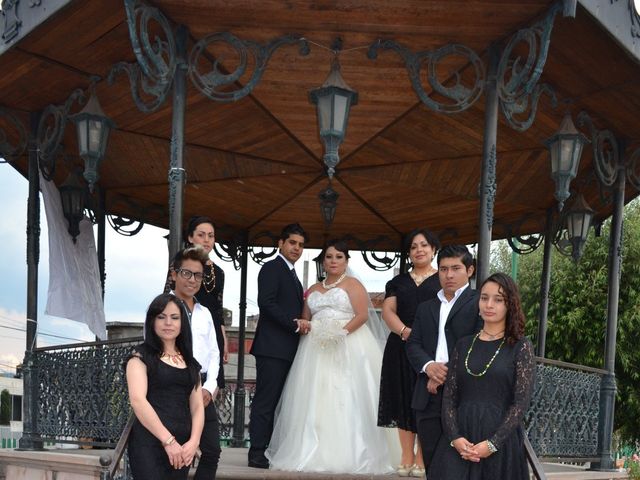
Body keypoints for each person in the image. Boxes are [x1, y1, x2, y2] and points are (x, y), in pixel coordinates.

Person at [266, 239, 397, 474]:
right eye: (329, 257)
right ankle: (311, 449)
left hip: (348, 343)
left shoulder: (353, 284)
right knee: (314, 397)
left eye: (338, 256)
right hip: (315, 348)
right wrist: (308, 325)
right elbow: (306, 316)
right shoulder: (313, 289)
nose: (333, 261)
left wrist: (340, 333)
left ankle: (354, 451)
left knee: (347, 394)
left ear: (346, 261)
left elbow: (362, 315)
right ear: (323, 261)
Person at [428, 272, 535, 480]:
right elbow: (449, 398)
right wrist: (455, 438)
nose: (489, 304)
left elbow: (521, 403)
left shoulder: (521, 347)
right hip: (459, 441)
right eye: (484, 298)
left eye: (498, 299)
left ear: (510, 305)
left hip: (499, 443)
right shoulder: (463, 344)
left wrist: (493, 443)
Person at [406, 244, 482, 473]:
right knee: (431, 464)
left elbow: (476, 345)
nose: (448, 275)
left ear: (469, 270)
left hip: (463, 396)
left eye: (456, 268)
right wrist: (429, 367)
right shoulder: (425, 307)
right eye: (443, 269)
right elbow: (413, 344)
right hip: (427, 396)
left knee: (458, 465)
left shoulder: (479, 303)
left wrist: (443, 374)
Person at [378, 228, 441, 478]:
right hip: (399, 347)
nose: (419, 250)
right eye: (414, 246)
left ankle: (421, 456)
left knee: (426, 401)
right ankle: (406, 455)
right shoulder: (398, 282)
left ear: (434, 249)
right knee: (402, 398)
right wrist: (405, 332)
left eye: (424, 245)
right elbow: (387, 311)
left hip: (432, 349)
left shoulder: (442, 279)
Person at [248, 223, 310, 469]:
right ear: (280, 243)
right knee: (266, 402)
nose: (297, 248)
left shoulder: (292, 273)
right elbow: (267, 303)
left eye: (301, 245)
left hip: (286, 349)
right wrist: (295, 324)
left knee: (279, 402)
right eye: (292, 243)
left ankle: (270, 449)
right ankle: (256, 452)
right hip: (272, 348)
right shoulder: (272, 267)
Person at [126, 293, 204, 479]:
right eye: (161, 317)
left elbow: (197, 406)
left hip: (183, 448)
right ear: (152, 321)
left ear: (182, 323)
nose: (168, 322)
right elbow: (138, 401)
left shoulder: (191, 362)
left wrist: (193, 442)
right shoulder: (140, 357)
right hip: (150, 444)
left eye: (174, 317)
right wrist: (169, 442)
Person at [170, 246, 221, 479]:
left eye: (198, 275)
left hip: (202, 390)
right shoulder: (162, 308)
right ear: (174, 274)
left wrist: (210, 387)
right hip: (174, 387)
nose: (193, 280)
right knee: (179, 454)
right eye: (187, 273)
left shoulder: (205, 312)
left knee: (212, 451)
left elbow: (214, 353)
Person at [184, 216, 228, 393]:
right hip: (188, 328)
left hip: (213, 331)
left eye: (211, 236)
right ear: (190, 237)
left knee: (211, 388)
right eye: (201, 235)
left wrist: (223, 338)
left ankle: (204, 421)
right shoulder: (181, 265)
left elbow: (218, 307)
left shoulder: (219, 272)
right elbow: (169, 298)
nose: (206, 240)